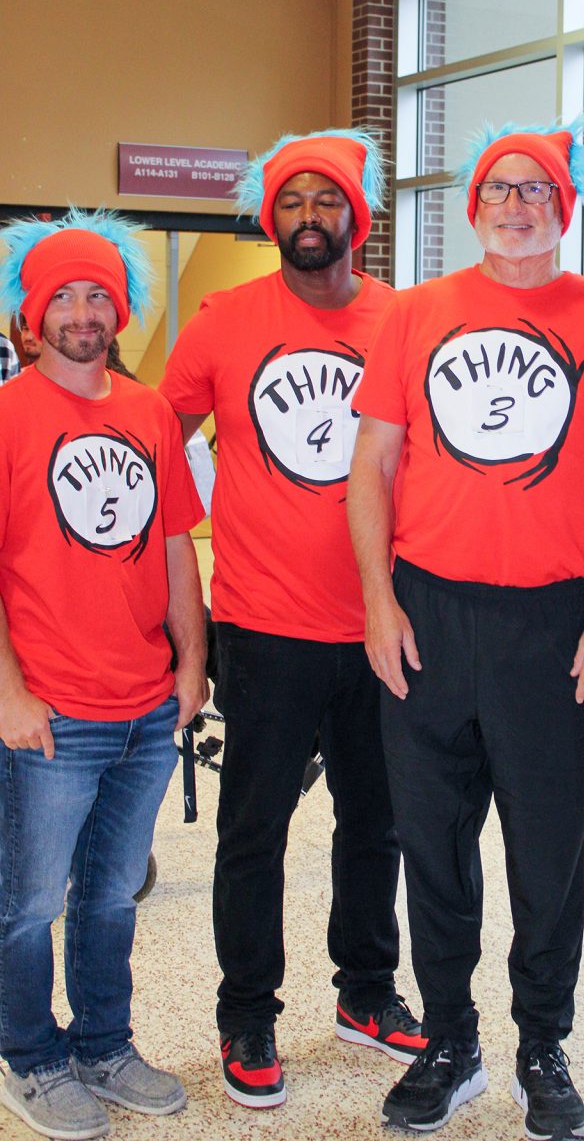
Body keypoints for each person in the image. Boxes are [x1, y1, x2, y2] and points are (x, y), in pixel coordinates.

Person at [348, 119, 584, 1139]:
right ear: (473, 205)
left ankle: (541, 1037)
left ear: (562, 208)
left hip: (556, 620)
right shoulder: (416, 314)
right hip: (429, 610)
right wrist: (377, 599)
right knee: (432, 842)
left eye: (537, 189)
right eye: (498, 188)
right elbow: (372, 466)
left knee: (545, 847)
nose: (516, 204)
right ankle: (448, 1036)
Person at [159, 129, 424, 1110]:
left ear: (359, 213)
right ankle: (246, 1010)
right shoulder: (226, 318)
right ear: (271, 217)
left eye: (327, 201)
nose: (309, 218)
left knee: (377, 823)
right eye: (292, 202)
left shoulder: (406, 317)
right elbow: (154, 438)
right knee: (253, 829)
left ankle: (366, 992)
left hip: (381, 622)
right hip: (263, 624)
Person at [0, 210, 208, 1141]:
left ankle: (103, 1043)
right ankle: (29, 1058)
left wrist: (192, 663)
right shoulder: (7, 417)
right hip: (49, 707)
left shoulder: (150, 411)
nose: (82, 311)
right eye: (64, 296)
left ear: (118, 308)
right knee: (29, 899)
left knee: (113, 890)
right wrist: (6, 691)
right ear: (32, 312)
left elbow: (174, 549)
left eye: (97, 294)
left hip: (145, 701)